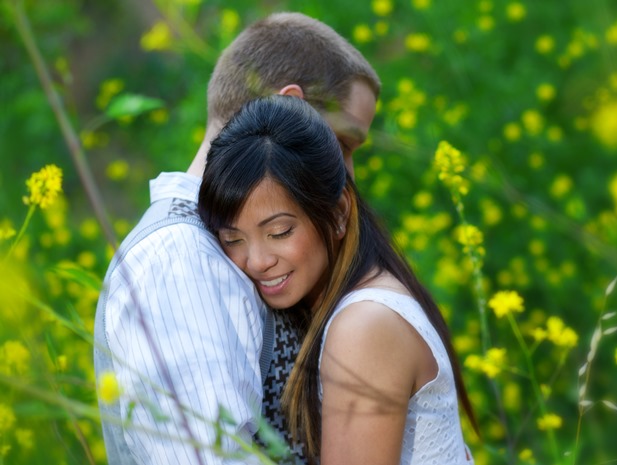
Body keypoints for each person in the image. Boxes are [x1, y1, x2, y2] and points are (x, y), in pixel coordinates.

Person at [93, 12, 380, 464]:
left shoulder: (221, 254)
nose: (348, 176)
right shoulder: (180, 260)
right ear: (290, 109)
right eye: (343, 144)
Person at [197, 95, 478, 465]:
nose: (257, 262)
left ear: (340, 211)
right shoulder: (365, 299)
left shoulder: (364, 326)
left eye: (280, 232)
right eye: (233, 239)